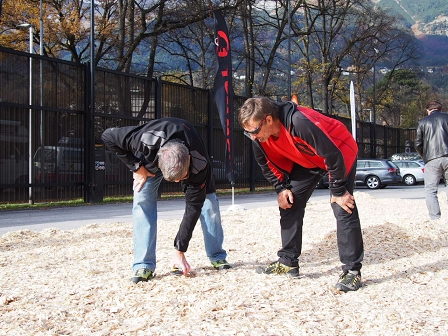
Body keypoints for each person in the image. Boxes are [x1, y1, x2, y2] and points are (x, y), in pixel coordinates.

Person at [238, 97, 364, 292]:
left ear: (269, 120)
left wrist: (338, 191)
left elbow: (332, 154)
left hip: (339, 151)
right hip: (308, 160)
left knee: (342, 205)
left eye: (254, 131)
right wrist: (281, 188)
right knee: (289, 202)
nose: (253, 137)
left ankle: (352, 272)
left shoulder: (299, 122)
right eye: (248, 133)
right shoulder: (258, 137)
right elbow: (266, 164)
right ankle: (288, 261)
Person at [101, 117, 231, 284]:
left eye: (181, 178)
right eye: (174, 180)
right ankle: (143, 265)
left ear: (189, 161)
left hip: (187, 157)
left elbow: (193, 207)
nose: (177, 183)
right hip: (150, 160)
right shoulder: (144, 138)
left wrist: (180, 250)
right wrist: (137, 167)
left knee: (209, 203)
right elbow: (107, 136)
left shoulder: (199, 162)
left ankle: (217, 256)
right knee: (142, 200)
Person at [414, 100, 448, 220]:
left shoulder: (423, 122)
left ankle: (435, 219)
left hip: (431, 159)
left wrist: (426, 157)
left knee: (431, 191)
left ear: (428, 111)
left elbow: (418, 144)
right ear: (441, 109)